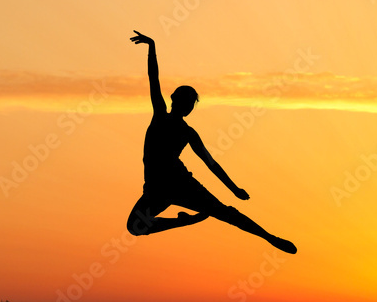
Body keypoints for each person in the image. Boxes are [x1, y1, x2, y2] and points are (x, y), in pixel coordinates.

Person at [125, 31, 296, 254]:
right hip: (156, 190)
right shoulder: (161, 116)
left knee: (225, 213)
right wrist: (152, 47)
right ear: (175, 100)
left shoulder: (188, 132)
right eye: (186, 101)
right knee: (135, 227)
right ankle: (185, 221)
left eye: (190, 103)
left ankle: (269, 237)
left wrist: (234, 189)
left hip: (181, 185)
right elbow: (153, 78)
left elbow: (211, 164)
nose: (187, 106)